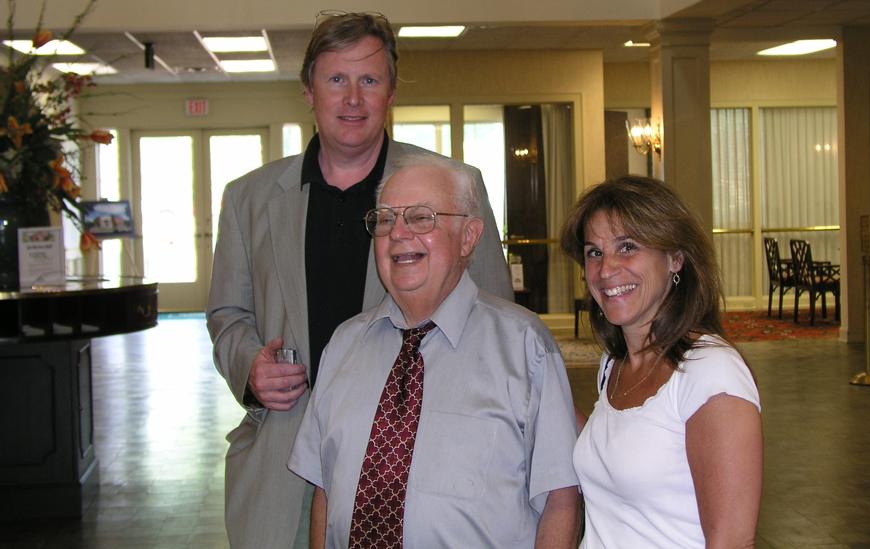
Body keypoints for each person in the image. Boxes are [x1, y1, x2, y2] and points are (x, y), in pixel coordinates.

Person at [206, 12, 513, 549]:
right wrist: (249, 365)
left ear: (390, 91)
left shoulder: (455, 187)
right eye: (336, 80)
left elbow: (496, 319)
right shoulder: (247, 198)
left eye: (369, 80)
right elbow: (227, 315)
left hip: (416, 460)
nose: (353, 98)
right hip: (278, 464)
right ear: (308, 90)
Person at [288, 153, 580, 548]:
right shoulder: (343, 346)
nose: (398, 233)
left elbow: (561, 500)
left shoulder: (525, 347)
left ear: (469, 236)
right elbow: (325, 489)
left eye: (421, 217)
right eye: (386, 219)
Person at [559, 176, 762, 548]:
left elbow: (732, 541)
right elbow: (626, 444)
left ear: (675, 258)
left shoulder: (711, 373)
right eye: (594, 252)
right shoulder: (615, 364)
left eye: (628, 247)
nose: (606, 270)